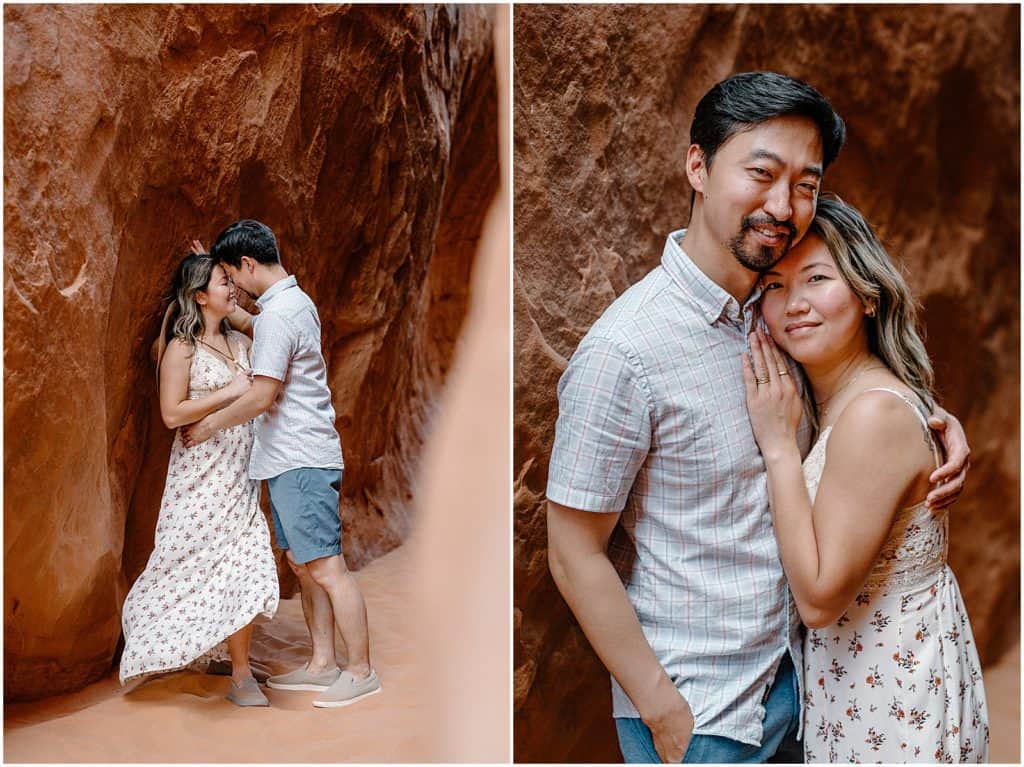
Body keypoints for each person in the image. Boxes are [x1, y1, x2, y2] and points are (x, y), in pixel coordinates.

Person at [545, 71, 971, 763]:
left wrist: (928, 423)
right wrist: (662, 707)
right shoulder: (627, 350)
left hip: (807, 693)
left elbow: (857, 413)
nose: (784, 204)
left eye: (806, 183)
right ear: (698, 167)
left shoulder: (774, 314)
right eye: (761, 173)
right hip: (705, 718)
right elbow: (571, 549)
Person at [743, 196, 989, 763]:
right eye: (775, 286)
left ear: (867, 293)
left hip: (892, 688)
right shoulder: (839, 400)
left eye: (817, 278)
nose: (795, 304)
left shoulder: (871, 415)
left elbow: (822, 600)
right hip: (863, 679)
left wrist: (780, 449)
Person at [181, 220, 380, 709]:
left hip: (300, 459)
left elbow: (262, 394)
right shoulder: (291, 305)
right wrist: (213, 268)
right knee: (305, 565)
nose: (231, 284)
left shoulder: (279, 316)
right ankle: (321, 665)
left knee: (327, 567)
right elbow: (254, 325)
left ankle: (360, 671)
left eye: (231, 274)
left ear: (248, 265)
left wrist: (208, 426)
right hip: (295, 458)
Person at [120, 254, 279, 707]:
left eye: (232, 280)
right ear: (199, 296)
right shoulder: (181, 348)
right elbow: (172, 414)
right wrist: (228, 392)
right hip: (199, 475)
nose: (233, 289)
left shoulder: (238, 339)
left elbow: (269, 324)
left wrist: (217, 263)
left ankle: (241, 673)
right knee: (192, 565)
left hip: (240, 472)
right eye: (224, 283)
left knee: (245, 560)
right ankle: (205, 654)